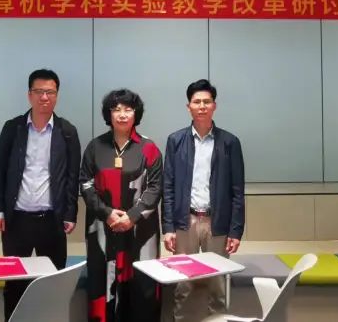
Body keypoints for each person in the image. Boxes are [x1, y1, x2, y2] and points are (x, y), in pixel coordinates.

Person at [0, 69, 82, 321]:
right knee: (14, 283)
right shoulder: (13, 128)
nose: (44, 97)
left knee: (52, 283)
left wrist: (70, 213)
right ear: (29, 95)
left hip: (51, 220)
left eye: (50, 92)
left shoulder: (67, 131)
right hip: (16, 220)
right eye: (39, 92)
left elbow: (72, 176)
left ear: (57, 95)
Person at [162, 79, 246, 321]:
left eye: (206, 102)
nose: (201, 106)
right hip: (185, 221)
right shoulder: (175, 141)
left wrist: (236, 230)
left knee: (217, 285)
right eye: (196, 101)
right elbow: (168, 187)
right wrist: (168, 227)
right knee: (183, 283)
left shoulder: (229, 142)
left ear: (214, 106)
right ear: (188, 106)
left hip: (217, 223)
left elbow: (237, 190)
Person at [80, 89, 162, 322]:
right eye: (116, 109)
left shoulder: (149, 148)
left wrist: (132, 216)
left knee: (142, 288)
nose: (122, 114)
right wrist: (107, 214)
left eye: (128, 109)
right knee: (103, 287)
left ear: (136, 114)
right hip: (104, 231)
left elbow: (155, 188)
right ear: (109, 114)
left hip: (139, 233)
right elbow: (85, 184)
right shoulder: (95, 147)